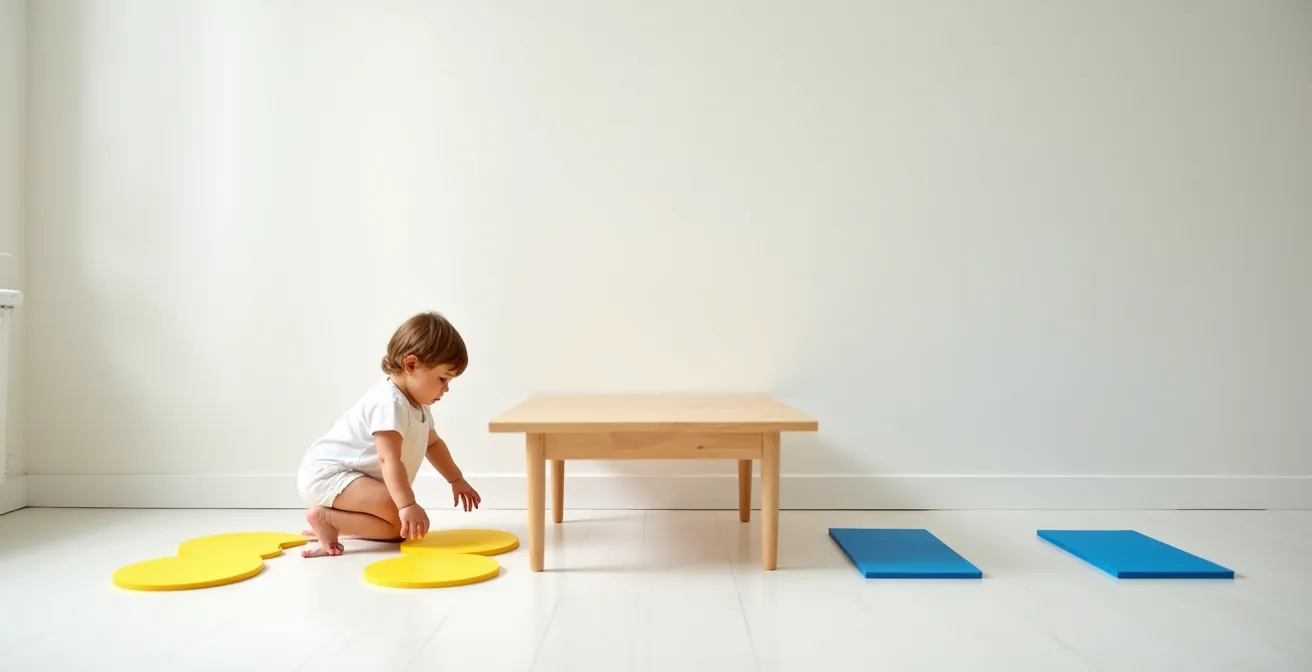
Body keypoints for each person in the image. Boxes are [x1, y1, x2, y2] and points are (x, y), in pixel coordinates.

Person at [296, 311, 481, 558]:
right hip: (329, 474)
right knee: (403, 515)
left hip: (353, 477)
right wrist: (407, 504)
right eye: (442, 379)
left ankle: (337, 521)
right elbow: (388, 458)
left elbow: (433, 444)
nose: (446, 389)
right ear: (411, 365)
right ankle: (327, 519)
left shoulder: (417, 403)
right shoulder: (389, 402)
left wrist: (456, 480)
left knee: (401, 529)